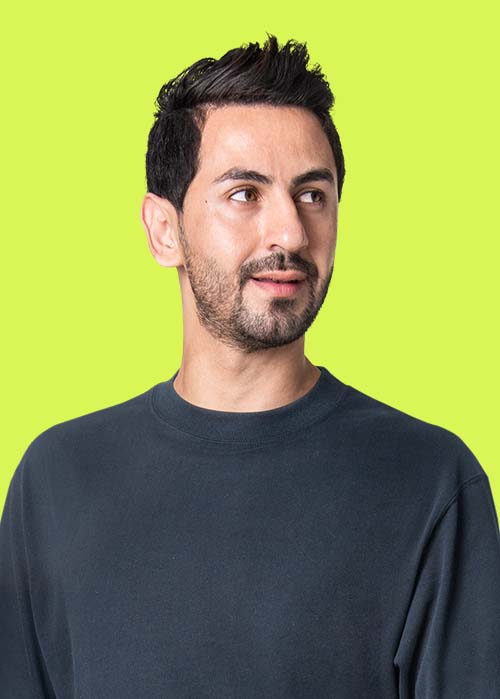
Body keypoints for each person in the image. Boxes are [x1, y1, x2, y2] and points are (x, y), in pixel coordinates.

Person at [1, 35, 499, 699]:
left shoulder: (432, 481)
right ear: (164, 230)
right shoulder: (56, 480)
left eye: (313, 194)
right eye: (244, 194)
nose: (290, 233)